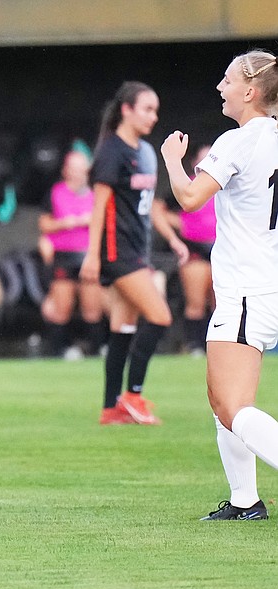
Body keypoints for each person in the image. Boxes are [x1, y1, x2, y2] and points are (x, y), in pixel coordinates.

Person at [161, 49, 278, 521]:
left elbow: (190, 198)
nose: (220, 87)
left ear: (250, 92)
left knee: (229, 405)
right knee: (225, 401)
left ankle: (246, 498)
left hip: (248, 289)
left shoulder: (237, 140)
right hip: (265, 283)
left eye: (227, 80)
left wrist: (173, 159)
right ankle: (245, 500)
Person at [80, 82, 188, 425]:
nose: (153, 117)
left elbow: (150, 206)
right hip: (118, 251)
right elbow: (99, 207)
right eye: (147, 109)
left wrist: (171, 238)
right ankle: (133, 396)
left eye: (156, 110)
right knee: (159, 316)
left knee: (123, 327)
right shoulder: (111, 152)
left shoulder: (144, 151)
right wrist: (92, 256)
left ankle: (111, 409)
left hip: (137, 249)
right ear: (126, 109)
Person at [38, 150, 106, 359]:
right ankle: (59, 350)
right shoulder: (55, 193)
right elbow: (43, 224)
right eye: (74, 169)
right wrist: (63, 223)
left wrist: (91, 220)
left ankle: (98, 348)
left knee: (92, 305)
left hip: (88, 255)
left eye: (82, 168)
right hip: (63, 257)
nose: (78, 173)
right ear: (65, 170)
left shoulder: (97, 194)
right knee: (62, 306)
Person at [156, 145, 217, 356]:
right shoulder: (187, 184)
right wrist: (180, 225)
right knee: (196, 302)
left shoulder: (224, 183)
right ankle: (194, 345)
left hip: (221, 247)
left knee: (221, 302)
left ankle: (217, 345)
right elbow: (157, 208)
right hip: (196, 249)